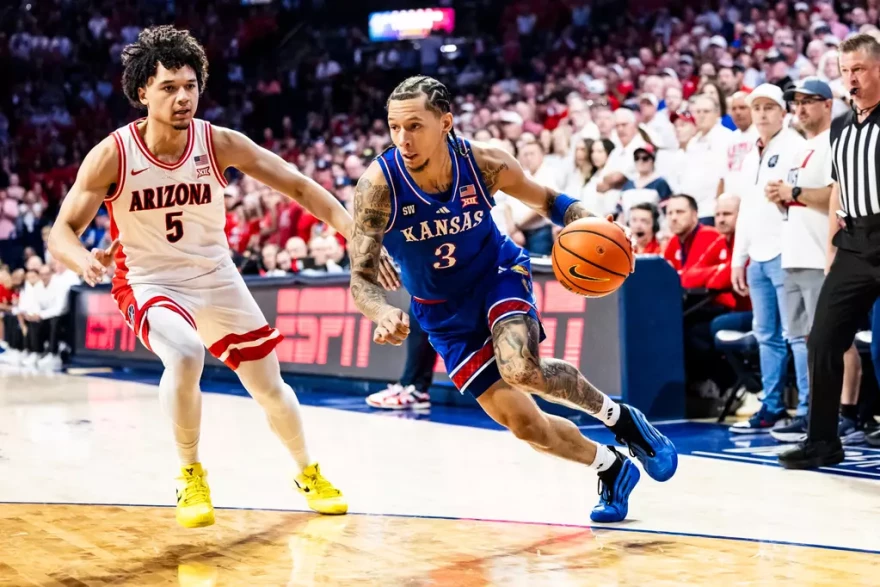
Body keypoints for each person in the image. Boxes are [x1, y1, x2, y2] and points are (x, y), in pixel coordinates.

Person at [47, 26, 399, 529]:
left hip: (216, 275)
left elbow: (298, 185)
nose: (183, 96)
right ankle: (190, 472)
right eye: (169, 88)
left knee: (269, 385)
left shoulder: (217, 143)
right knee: (186, 354)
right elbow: (61, 231)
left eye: (190, 85)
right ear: (142, 92)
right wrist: (82, 260)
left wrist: (348, 229)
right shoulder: (114, 154)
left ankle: (309, 473)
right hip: (150, 281)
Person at [348, 76, 678, 524]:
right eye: (394, 127)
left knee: (520, 367)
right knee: (526, 426)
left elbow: (550, 202)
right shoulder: (379, 186)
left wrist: (602, 227)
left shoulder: (483, 163)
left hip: (497, 276)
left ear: (445, 122)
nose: (403, 139)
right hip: (441, 313)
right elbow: (361, 279)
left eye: (414, 126)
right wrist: (382, 310)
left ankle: (622, 420)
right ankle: (611, 466)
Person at [780, 34, 880, 468]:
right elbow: (839, 189)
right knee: (822, 339)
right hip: (854, 243)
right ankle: (822, 441)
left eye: (858, 69)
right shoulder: (840, 127)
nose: (850, 79)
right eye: (844, 70)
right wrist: (831, 249)